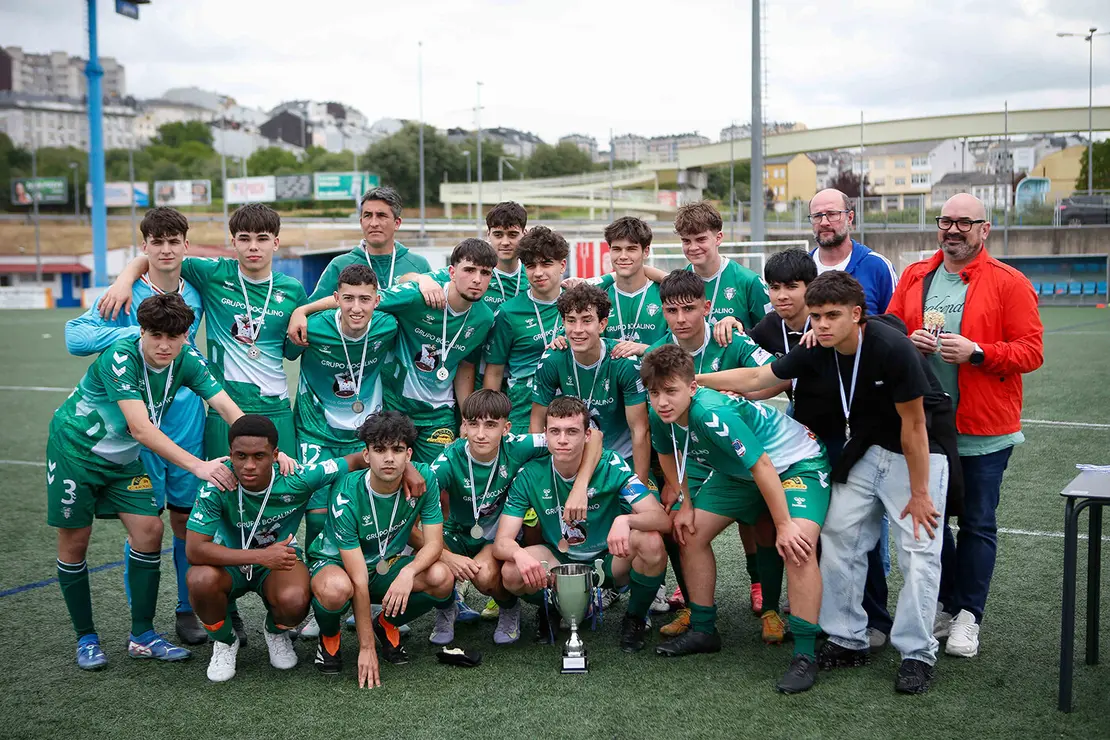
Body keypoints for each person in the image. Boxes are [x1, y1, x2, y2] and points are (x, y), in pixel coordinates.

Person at [698, 271, 958, 695]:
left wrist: (920, 492)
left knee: (918, 549)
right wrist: (695, 381)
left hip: (917, 452)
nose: (821, 325)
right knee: (839, 535)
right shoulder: (816, 346)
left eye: (832, 315)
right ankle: (847, 637)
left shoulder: (892, 348)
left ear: (856, 314)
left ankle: (917, 653)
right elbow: (759, 379)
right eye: (816, 316)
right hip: (865, 447)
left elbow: (914, 426)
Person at [48, 293, 244, 670]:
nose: (164, 345)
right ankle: (86, 637)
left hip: (123, 459)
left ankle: (142, 636)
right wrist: (198, 466)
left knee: (149, 531)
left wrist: (264, 444)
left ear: (186, 336)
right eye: (156, 335)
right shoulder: (120, 356)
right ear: (142, 332)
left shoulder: (187, 359)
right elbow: (140, 428)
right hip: (76, 452)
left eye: (174, 337)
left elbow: (225, 405)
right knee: (75, 542)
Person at [888, 193, 1043, 658]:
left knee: (976, 523)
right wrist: (907, 339)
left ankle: (969, 615)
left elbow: (1032, 351)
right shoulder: (916, 275)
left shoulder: (1009, 282)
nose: (953, 229)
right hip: (927, 426)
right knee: (932, 522)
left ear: (984, 229)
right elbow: (889, 328)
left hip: (984, 429)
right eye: (946, 221)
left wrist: (978, 352)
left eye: (964, 222)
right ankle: (947, 604)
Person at [643, 346, 829, 692]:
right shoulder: (659, 413)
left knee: (798, 545)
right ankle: (703, 630)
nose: (662, 401)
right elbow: (667, 454)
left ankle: (805, 654)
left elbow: (763, 465)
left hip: (794, 464)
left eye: (670, 391)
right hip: (740, 473)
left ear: (692, 387)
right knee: (690, 532)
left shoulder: (712, 412)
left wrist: (784, 525)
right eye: (655, 393)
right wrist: (684, 501)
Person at [64, 206, 210, 645]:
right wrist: (136, 328)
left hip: (187, 421)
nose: (165, 250)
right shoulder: (125, 296)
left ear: (185, 245)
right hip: (137, 427)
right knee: (146, 523)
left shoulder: (197, 286)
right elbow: (75, 338)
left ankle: (187, 610)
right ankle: (141, 622)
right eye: (156, 243)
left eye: (173, 242)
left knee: (186, 520)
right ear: (144, 247)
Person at [99, 203, 308, 458]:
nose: (253, 246)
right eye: (244, 239)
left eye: (262, 239)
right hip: (222, 407)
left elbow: (291, 353)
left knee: (283, 478)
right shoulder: (213, 273)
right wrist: (124, 280)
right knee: (221, 479)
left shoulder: (293, 290)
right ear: (234, 242)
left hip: (277, 407)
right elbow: (161, 257)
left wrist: (301, 314)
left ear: (275, 243)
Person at [642, 270, 779, 638]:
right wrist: (676, 487)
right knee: (678, 522)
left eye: (688, 309)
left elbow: (779, 376)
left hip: (741, 454)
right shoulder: (658, 353)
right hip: (691, 461)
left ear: (706, 308)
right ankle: (693, 604)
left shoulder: (728, 337)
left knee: (763, 520)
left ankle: (764, 594)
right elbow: (657, 420)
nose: (680, 319)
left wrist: (742, 396)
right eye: (671, 310)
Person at [185, 415, 362, 682]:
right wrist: (261, 556)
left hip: (278, 562)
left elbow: (357, 459)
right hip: (229, 563)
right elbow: (195, 550)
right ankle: (225, 640)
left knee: (295, 598)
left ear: (275, 455)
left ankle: (275, 632)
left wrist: (407, 469)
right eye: (241, 456)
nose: (249, 465)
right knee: (200, 579)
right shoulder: (217, 484)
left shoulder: (297, 477)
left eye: (259, 456)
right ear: (230, 454)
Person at [494, 396, 670, 652]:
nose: (562, 439)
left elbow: (661, 519)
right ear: (545, 434)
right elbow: (502, 542)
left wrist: (625, 519)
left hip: (609, 559)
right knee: (511, 572)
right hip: (559, 561)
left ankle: (636, 617)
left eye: (572, 431)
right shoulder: (530, 474)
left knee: (651, 543)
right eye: (555, 431)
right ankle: (555, 606)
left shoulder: (610, 464)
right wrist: (518, 554)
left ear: (587, 435)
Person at [426, 389, 602, 645]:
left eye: (490, 425)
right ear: (463, 426)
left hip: (497, 537)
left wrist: (580, 486)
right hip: (456, 533)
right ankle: (448, 607)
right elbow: (414, 514)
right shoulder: (448, 460)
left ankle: (508, 609)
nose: (480, 434)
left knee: (485, 575)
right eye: (473, 424)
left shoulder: (519, 445)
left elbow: (594, 437)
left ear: (506, 428)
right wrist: (445, 555)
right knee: (435, 568)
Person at [283, 263, 399, 637]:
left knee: (369, 513)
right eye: (348, 298)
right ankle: (322, 605)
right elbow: (287, 352)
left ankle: (370, 597)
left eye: (365, 299)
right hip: (316, 432)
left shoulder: (388, 324)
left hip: (365, 435)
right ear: (335, 299)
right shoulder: (313, 327)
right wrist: (301, 311)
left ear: (377, 300)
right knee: (318, 518)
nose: (356, 307)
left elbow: (417, 295)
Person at [308, 412, 452, 686]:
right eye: (379, 450)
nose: (389, 458)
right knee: (336, 589)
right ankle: (329, 636)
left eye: (397, 450)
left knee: (441, 577)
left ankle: (386, 623)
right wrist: (366, 648)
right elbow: (359, 578)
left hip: (385, 564)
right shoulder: (346, 494)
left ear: (408, 455)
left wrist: (408, 572)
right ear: (366, 455)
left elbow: (434, 544)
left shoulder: (426, 479)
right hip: (337, 565)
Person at [373, 239, 497, 463]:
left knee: (438, 477)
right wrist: (305, 311)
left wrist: (467, 418)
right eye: (469, 270)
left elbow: (465, 367)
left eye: (485, 273)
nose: (477, 279)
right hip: (396, 405)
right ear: (452, 272)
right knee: (392, 472)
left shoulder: (484, 318)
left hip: (439, 413)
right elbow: (364, 302)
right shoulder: (421, 296)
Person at [531, 283, 651, 487]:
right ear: (563, 323)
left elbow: (640, 431)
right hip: (570, 460)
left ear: (602, 324)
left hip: (621, 460)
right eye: (571, 321)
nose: (578, 330)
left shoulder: (624, 363)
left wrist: (639, 485)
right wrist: (541, 477)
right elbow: (537, 423)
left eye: (587, 321)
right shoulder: (552, 359)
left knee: (649, 506)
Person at [480, 225, 569, 431]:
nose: (538, 273)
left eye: (546, 264)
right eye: (530, 266)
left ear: (562, 265)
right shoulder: (508, 312)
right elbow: (494, 373)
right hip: (522, 417)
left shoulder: (578, 305)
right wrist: (489, 422)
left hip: (569, 415)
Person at [307, 185, 430, 298]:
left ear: (397, 223)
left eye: (381, 215)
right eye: (368, 215)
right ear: (361, 222)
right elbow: (314, 310)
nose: (374, 223)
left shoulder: (418, 264)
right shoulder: (340, 265)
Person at [676, 201, 771, 331]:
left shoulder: (749, 282)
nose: (693, 247)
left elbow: (771, 332)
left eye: (701, 239)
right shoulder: (678, 284)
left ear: (718, 238)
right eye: (686, 241)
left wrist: (739, 327)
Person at [808, 188, 898, 315]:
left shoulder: (878, 266)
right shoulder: (801, 270)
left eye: (832, 214)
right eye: (817, 216)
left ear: (850, 218)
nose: (824, 222)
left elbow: (896, 322)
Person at [601, 217, 668, 349]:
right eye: (617, 249)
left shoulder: (665, 294)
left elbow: (677, 344)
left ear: (646, 252)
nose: (623, 256)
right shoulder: (600, 297)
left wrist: (644, 350)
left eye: (631, 249)